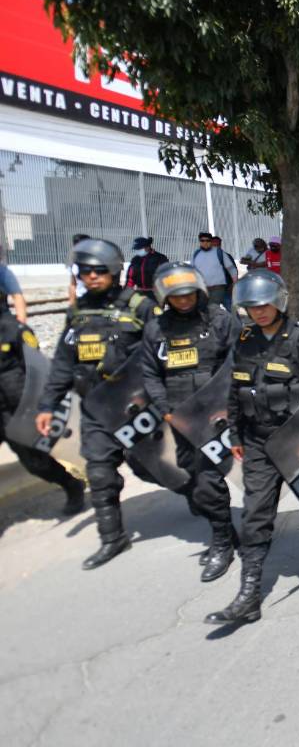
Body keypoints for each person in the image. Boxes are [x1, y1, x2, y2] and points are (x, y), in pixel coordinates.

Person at [205, 270, 299, 626]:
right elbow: (234, 388)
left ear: (279, 302)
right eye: (252, 307)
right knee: (255, 514)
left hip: (296, 440)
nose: (259, 312)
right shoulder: (244, 340)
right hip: (257, 441)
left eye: (265, 305)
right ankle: (249, 594)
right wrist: (235, 434)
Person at [35, 239, 156, 568]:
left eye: (98, 271)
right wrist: (48, 405)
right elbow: (62, 361)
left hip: (137, 405)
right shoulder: (77, 311)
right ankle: (112, 538)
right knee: (99, 472)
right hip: (96, 407)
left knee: (158, 468)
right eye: (85, 271)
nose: (91, 277)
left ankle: (213, 517)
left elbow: (160, 354)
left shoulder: (139, 307)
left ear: (114, 271)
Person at [142, 263, 242, 582]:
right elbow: (150, 374)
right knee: (195, 476)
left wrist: (226, 403)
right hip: (179, 417)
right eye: (177, 296)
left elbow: (237, 360)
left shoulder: (220, 320)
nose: (183, 301)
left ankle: (222, 542)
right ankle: (226, 529)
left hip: (215, 416)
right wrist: (164, 409)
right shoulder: (156, 330)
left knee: (208, 480)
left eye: (188, 295)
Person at [0, 280, 85, 514]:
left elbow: (37, 369)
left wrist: (45, 405)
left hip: (16, 408)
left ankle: (71, 485)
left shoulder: (15, 330)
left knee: (34, 462)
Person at [192, 232, 238, 309]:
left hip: (220, 288)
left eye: (207, 240)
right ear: (200, 241)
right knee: (206, 312)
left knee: (220, 309)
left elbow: (231, 268)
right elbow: (192, 271)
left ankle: (235, 321)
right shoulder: (196, 254)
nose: (205, 243)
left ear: (211, 241)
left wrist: (235, 283)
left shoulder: (219, 252)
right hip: (203, 290)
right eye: (202, 240)